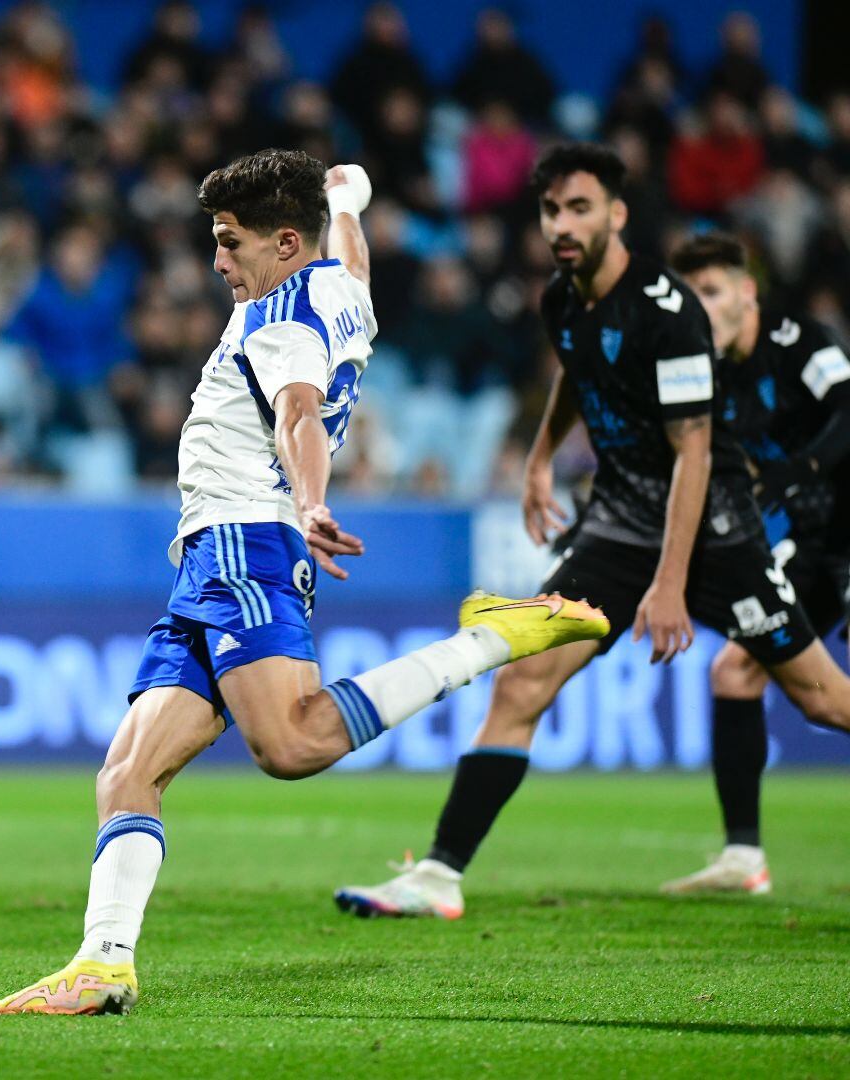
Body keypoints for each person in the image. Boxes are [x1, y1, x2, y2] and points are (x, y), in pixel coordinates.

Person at [0, 148, 609, 1015]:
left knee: (291, 745)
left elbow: (296, 413)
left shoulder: (280, 319)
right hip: (210, 558)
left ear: (284, 243)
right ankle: (102, 964)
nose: (217, 262)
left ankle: (493, 638)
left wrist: (312, 499)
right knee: (126, 773)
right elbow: (351, 257)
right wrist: (350, 198)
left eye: (229, 242)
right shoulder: (341, 291)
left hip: (247, 542)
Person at [338, 144, 850, 921]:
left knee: (823, 699)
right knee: (523, 679)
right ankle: (439, 874)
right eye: (551, 210)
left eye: (580, 208)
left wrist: (672, 584)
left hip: (712, 532)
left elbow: (696, 452)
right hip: (615, 529)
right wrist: (541, 458)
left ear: (616, 215)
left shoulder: (671, 314)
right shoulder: (562, 299)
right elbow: (577, 373)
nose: (562, 224)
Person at [661, 233, 850, 895]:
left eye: (710, 292)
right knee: (736, 670)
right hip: (817, 538)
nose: (700, 309)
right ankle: (743, 859)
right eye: (689, 298)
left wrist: (801, 468)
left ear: (747, 294)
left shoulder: (804, 341)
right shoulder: (707, 375)